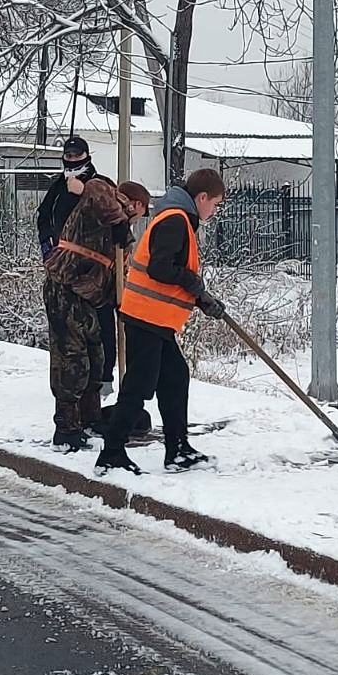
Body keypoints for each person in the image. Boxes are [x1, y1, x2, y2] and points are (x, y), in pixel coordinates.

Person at [95, 168, 228, 476]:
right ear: (202, 197)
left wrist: (201, 298)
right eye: (216, 204)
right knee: (138, 386)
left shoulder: (178, 219)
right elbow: (161, 268)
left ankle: (178, 449)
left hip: (155, 319)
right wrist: (194, 285)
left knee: (175, 377)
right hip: (146, 317)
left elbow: (173, 273)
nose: (215, 210)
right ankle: (112, 452)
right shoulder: (175, 221)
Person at [43, 177, 150, 451]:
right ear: (136, 204)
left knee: (95, 355)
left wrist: (121, 304)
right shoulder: (105, 198)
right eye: (140, 214)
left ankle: (89, 417)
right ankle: (65, 427)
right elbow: (93, 186)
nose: (137, 221)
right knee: (72, 359)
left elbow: (115, 276)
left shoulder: (114, 236)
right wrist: (120, 222)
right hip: (64, 287)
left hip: (87, 295)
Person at [37, 136, 119, 396]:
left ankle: (103, 378)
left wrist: (82, 193)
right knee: (70, 331)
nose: (72, 160)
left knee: (101, 323)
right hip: (63, 268)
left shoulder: (98, 185)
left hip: (92, 269)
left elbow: (112, 216)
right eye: (68, 155)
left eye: (76, 155)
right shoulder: (58, 187)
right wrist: (48, 248)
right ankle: (74, 389)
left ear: (87, 156)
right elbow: (43, 216)